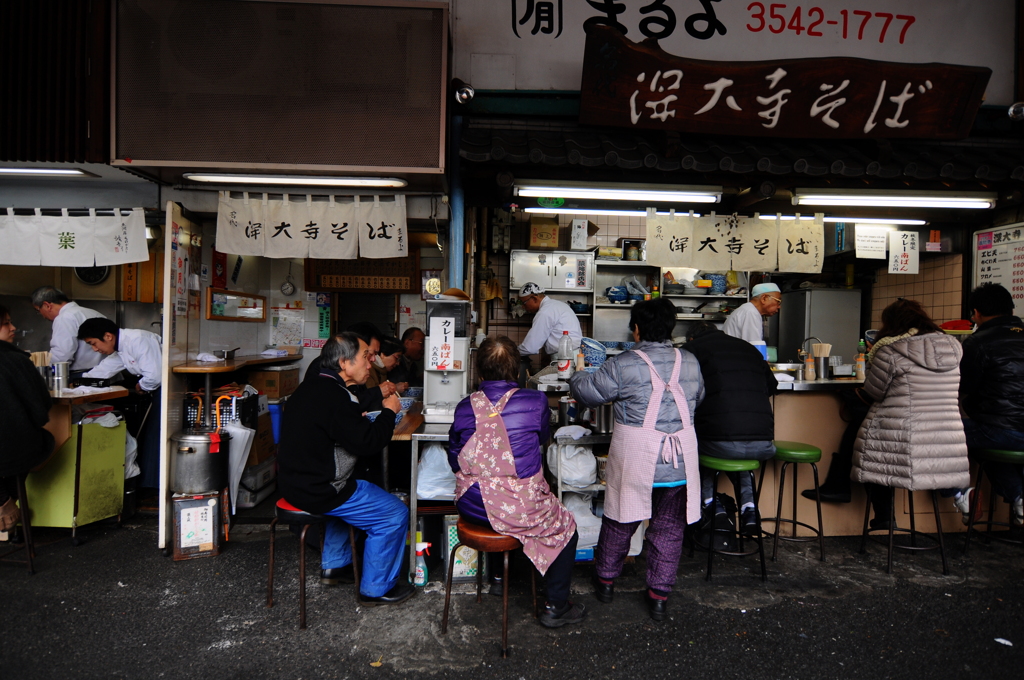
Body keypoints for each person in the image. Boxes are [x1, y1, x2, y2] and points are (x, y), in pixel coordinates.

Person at [570, 298, 704, 621]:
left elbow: (589, 392)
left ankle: (605, 582)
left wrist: (576, 373)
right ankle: (659, 596)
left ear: (637, 329)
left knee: (620, 520)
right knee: (669, 528)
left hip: (637, 458)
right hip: (679, 461)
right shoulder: (690, 361)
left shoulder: (624, 363)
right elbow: (699, 397)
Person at [448, 337, 585, 628]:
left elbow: (454, 459)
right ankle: (554, 607)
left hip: (472, 505)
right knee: (566, 527)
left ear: (479, 373)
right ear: (517, 372)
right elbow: (542, 439)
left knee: (497, 503)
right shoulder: (535, 401)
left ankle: (498, 579)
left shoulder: (463, 407)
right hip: (515, 509)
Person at [277, 332, 415, 606]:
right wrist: (389, 411)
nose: (370, 363)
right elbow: (370, 443)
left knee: (353, 488)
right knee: (394, 513)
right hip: (321, 490)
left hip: (293, 484)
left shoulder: (312, 388)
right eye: (365, 357)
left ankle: (336, 567)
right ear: (344, 363)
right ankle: (376, 589)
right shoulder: (338, 397)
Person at [851, 299, 969, 529]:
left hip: (902, 436)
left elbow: (874, 391)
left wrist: (871, 358)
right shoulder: (953, 348)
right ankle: (959, 495)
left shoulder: (889, 350)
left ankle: (885, 518)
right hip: (947, 440)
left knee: (869, 452)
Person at [685, 321, 778, 537]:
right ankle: (750, 509)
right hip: (764, 442)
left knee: (694, 448)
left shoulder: (691, 351)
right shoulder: (748, 348)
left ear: (691, 339)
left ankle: (711, 505)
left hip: (719, 442)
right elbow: (772, 387)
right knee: (739, 455)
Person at [949, 283, 1024, 525]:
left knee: (940, 434)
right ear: (1011, 309)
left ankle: (961, 494)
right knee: (990, 449)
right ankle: (1019, 499)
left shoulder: (978, 342)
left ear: (976, 313)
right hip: (1005, 433)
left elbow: (963, 388)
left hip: (1000, 430)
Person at [77, 318, 163, 489]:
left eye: (94, 343)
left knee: (156, 436)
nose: (95, 349)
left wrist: (142, 386)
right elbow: (104, 370)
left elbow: (155, 376)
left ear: (108, 336)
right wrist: (80, 383)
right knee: (151, 436)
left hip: (166, 389)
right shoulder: (121, 349)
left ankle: (153, 487)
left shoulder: (137, 340)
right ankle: (148, 485)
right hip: (155, 388)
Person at [0, 305, 54, 533]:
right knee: (41, 440)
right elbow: (41, 412)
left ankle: (2, 500)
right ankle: (6, 500)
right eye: (6, 323)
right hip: (11, 451)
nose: (13, 328)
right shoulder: (17, 361)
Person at [31, 286, 106, 372]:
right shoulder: (94, 313)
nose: (43, 316)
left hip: (83, 376)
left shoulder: (64, 318)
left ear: (47, 306)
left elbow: (61, 357)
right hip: (106, 374)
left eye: (38, 310)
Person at [516, 282, 583, 358]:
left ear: (534, 298)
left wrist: (510, 353)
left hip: (564, 358)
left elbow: (530, 348)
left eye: (524, 303)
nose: (523, 307)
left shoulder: (545, 312)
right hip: (575, 355)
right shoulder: (558, 305)